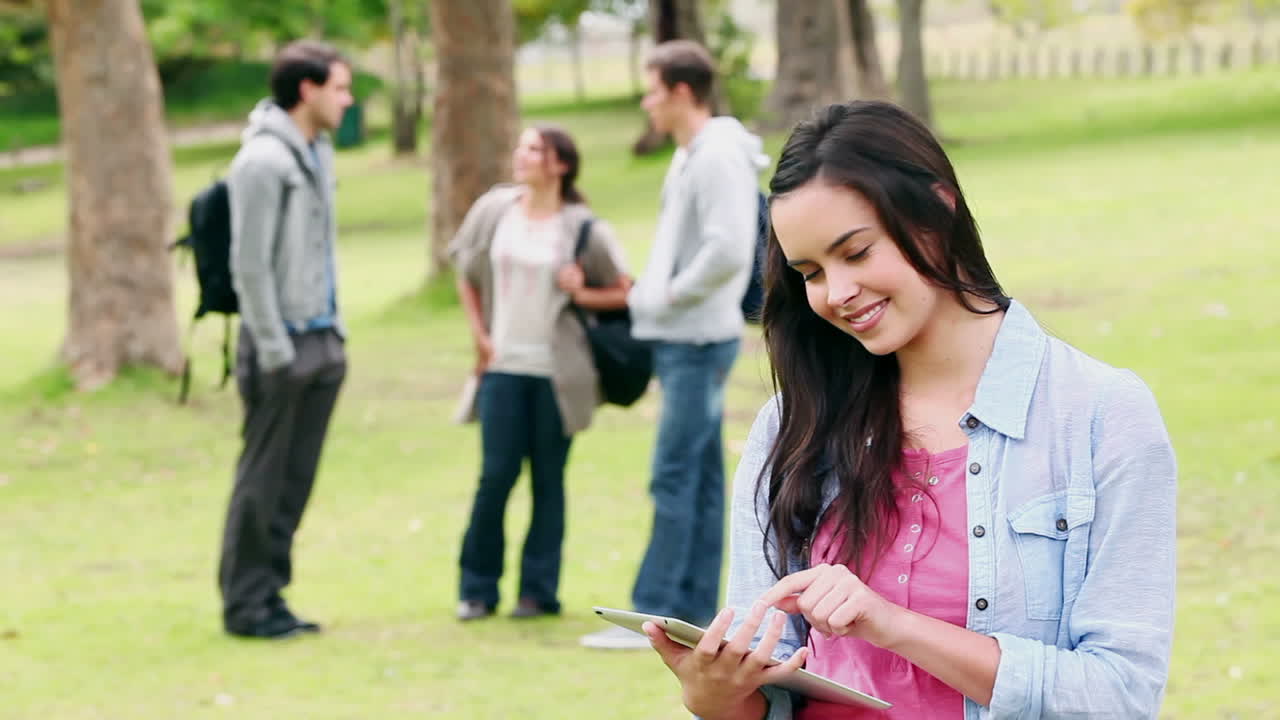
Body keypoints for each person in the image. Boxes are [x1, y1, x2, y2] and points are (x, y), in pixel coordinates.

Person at [640, 100, 1178, 719]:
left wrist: (890, 624)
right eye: (811, 273)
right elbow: (769, 681)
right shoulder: (792, 425)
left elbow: (1120, 695)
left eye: (856, 252)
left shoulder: (1100, 417)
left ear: (937, 211)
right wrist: (715, 696)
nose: (838, 293)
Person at [580, 39, 768, 650]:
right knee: (701, 479)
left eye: (653, 90)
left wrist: (665, 297)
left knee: (674, 474)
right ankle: (694, 614)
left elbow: (729, 250)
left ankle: (653, 616)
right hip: (688, 336)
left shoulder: (717, 156)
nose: (647, 102)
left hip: (697, 338)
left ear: (682, 91)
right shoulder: (693, 154)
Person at [450, 126, 632, 621]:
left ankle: (538, 593)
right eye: (522, 146)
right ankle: (476, 590)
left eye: (534, 149)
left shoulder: (583, 227)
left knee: (548, 482)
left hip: (558, 375)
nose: (521, 155)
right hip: (502, 369)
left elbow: (625, 291)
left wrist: (581, 291)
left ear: (560, 165)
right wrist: (479, 335)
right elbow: (464, 271)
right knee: (495, 477)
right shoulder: (495, 210)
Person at [218, 40, 354, 639]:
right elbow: (249, 267)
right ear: (308, 89)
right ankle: (245, 604)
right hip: (279, 346)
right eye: (340, 88)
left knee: (294, 482)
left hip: (321, 339)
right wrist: (276, 350)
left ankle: (271, 596)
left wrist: (333, 335)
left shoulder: (317, 152)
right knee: (262, 481)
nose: (348, 100)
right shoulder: (261, 162)